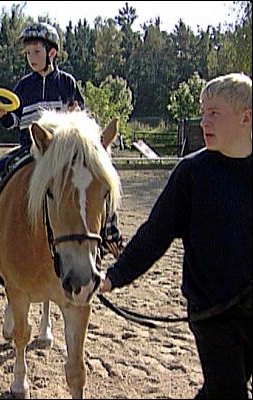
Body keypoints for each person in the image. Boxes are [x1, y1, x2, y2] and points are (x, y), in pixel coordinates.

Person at [100, 72, 252, 399]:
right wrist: (113, 277)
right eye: (202, 112)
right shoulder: (191, 175)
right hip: (213, 315)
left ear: (246, 117)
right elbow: (154, 236)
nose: (203, 122)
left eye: (214, 113)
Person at [0, 21, 123, 255]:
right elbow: (14, 121)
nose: (31, 58)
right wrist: (2, 114)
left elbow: (81, 118)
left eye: (36, 52)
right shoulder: (24, 86)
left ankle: (110, 235)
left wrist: (74, 114)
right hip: (29, 148)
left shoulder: (66, 83)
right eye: (28, 53)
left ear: (51, 52)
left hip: (61, 152)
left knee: (100, 178)